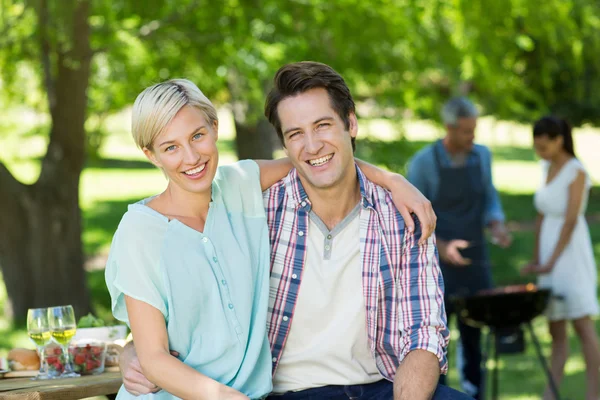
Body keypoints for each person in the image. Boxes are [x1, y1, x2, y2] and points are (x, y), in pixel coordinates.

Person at [119, 62, 473, 399]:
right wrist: (133, 351)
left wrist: (391, 180)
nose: (191, 157)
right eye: (170, 147)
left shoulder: (241, 190)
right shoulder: (251, 209)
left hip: (370, 385)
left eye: (197, 136)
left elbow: (316, 159)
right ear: (152, 155)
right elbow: (160, 344)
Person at [407, 97, 512, 399]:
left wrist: (496, 224)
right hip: (436, 267)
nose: (472, 137)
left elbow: (489, 197)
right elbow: (412, 217)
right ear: (449, 128)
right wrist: (441, 246)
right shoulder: (424, 163)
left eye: (474, 130)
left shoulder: (482, 156)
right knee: (435, 342)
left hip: (476, 262)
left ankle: (474, 393)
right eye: (466, 131)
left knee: (474, 339)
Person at [521, 116, 599, 400]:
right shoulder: (546, 167)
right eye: (536, 147)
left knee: (582, 323)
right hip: (548, 256)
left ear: (559, 140)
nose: (540, 152)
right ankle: (550, 394)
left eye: (544, 146)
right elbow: (542, 216)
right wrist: (537, 258)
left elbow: (569, 221)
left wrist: (552, 261)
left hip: (570, 255)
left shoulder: (576, 171)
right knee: (556, 329)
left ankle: (594, 393)